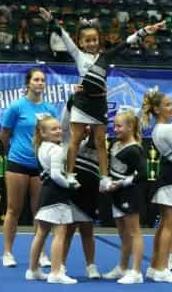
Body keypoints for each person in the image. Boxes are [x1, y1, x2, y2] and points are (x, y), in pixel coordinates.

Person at [39, 8, 163, 191]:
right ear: (80, 42)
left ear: (99, 40)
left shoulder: (105, 57)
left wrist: (144, 31)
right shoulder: (78, 55)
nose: (91, 43)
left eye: (94, 40)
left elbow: (126, 43)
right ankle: (70, 174)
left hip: (98, 104)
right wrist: (52, 21)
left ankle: (104, 178)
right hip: (82, 103)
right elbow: (64, 36)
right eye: (87, 40)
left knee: (100, 142)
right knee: (75, 139)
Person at [0, 68, 56, 267]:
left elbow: (55, 137)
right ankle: (7, 252)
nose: (40, 83)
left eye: (42, 80)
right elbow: (4, 134)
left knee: (39, 211)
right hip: (17, 163)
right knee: (13, 209)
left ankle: (40, 253)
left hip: (40, 166)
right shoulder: (16, 107)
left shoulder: (50, 110)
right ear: (28, 83)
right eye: (36, 80)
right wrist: (12, 152)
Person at [141, 89, 172, 283]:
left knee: (163, 226)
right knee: (170, 226)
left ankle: (154, 266)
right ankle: (162, 268)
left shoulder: (160, 129)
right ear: (158, 110)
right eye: (167, 105)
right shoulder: (166, 129)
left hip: (167, 179)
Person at [26, 116, 79, 284]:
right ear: (42, 132)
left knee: (41, 233)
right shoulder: (55, 150)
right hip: (56, 194)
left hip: (46, 193)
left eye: (59, 128)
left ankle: (33, 269)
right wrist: (70, 184)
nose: (58, 131)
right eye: (54, 129)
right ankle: (56, 272)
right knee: (60, 233)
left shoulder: (41, 147)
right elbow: (56, 175)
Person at [60, 97, 101, 279]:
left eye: (88, 125)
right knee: (67, 230)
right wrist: (73, 101)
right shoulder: (68, 142)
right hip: (72, 193)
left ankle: (91, 266)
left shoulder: (97, 145)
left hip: (89, 195)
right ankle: (60, 264)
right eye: (81, 124)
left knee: (87, 230)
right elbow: (65, 120)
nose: (85, 128)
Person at [103, 110, 145, 284]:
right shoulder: (114, 144)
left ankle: (136, 272)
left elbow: (142, 175)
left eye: (119, 126)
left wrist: (121, 183)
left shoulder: (135, 149)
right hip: (116, 194)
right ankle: (122, 267)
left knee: (134, 232)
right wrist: (106, 182)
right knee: (123, 234)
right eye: (114, 125)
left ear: (130, 127)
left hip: (129, 193)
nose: (116, 129)